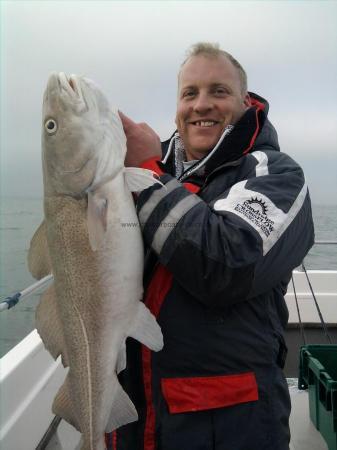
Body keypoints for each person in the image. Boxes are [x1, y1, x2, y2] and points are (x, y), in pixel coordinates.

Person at [106, 42, 314, 450]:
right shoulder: (143, 171)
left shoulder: (276, 175)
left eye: (218, 91)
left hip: (230, 427)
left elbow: (225, 266)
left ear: (244, 101)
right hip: (135, 420)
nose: (202, 104)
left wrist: (148, 174)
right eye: (190, 93)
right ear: (177, 107)